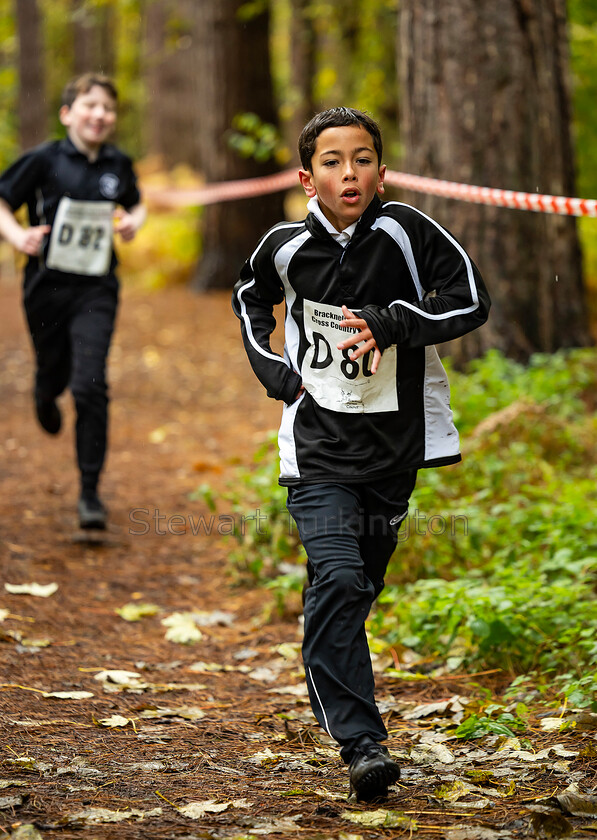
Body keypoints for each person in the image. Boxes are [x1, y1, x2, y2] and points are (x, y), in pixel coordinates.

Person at [232, 107, 490, 801]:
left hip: (392, 445)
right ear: (305, 176)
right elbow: (249, 298)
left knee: (353, 588)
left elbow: (469, 300)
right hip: (316, 447)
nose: (349, 173)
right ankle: (361, 745)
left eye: (362, 158)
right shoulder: (284, 246)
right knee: (340, 580)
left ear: (381, 168)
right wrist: (272, 372)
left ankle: (324, 648)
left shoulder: (406, 233)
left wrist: (392, 321)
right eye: (332, 161)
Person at [0, 73, 146, 530]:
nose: (100, 114)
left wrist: (132, 224)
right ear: (68, 114)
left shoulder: (118, 164)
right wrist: (18, 235)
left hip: (97, 288)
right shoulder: (42, 160)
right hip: (45, 288)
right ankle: (44, 392)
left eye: (108, 107)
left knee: (89, 384)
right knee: (54, 368)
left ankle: (89, 491)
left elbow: (137, 204)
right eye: (90, 105)